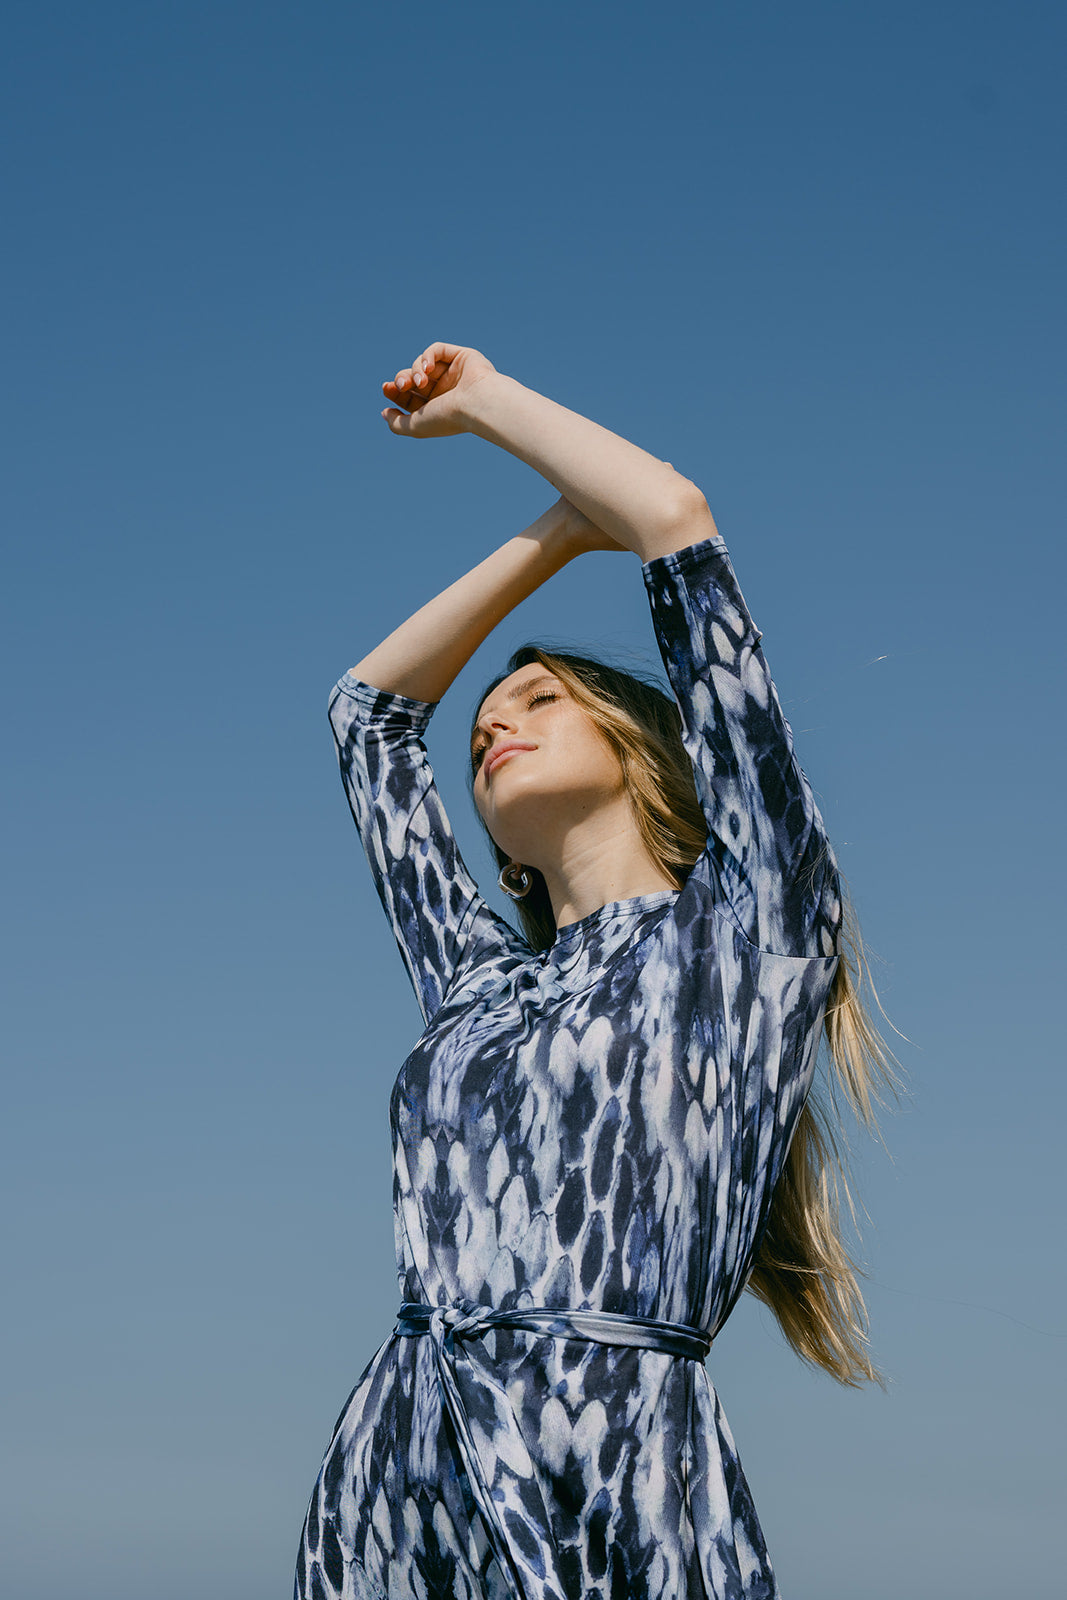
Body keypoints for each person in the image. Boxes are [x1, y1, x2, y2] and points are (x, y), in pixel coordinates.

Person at [294, 342, 895, 1600]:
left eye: (537, 698)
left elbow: (670, 515)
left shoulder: (747, 928)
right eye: (483, 725)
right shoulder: (477, 983)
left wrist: (489, 406)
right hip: (401, 1477)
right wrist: (558, 536)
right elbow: (367, 717)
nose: (491, 720)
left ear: (634, 746)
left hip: (609, 1471)